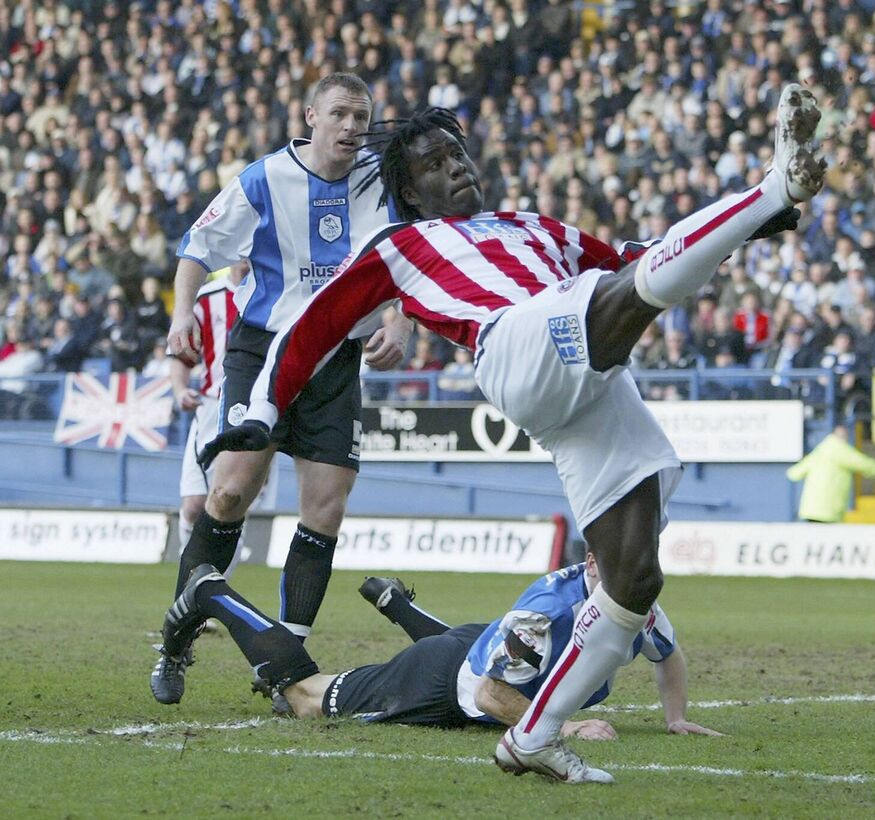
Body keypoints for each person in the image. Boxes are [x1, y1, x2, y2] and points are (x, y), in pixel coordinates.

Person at [198, 89, 824, 782]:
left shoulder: (533, 226)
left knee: (634, 580)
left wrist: (746, 233)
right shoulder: (399, 246)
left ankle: (534, 737)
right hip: (516, 344)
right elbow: (312, 326)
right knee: (618, 300)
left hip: (585, 379)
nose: (455, 166)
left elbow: (629, 258)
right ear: (411, 191)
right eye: (434, 163)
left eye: (457, 154)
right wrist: (260, 410)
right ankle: (775, 183)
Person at [151, 73, 410, 706]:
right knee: (228, 491)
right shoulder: (265, 178)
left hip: (336, 358)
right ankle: (175, 643)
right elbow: (197, 248)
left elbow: (410, 256)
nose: (352, 127)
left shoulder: (380, 181)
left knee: (325, 509)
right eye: (340, 113)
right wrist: (182, 315)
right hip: (263, 349)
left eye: (362, 116)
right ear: (311, 116)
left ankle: (284, 666)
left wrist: (400, 319)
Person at [159, 554, 719, 748]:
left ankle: (398, 605)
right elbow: (491, 694)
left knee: (472, 650)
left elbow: (667, 653)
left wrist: (676, 717)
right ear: (591, 563)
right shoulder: (545, 613)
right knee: (304, 698)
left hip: (477, 645)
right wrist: (566, 727)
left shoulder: (637, 601)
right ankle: (212, 592)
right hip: (444, 681)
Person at [172, 262, 278, 584]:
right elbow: (182, 352)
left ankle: (216, 588)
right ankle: (190, 582)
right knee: (194, 505)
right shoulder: (207, 298)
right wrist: (179, 389)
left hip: (255, 410)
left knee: (232, 501)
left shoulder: (275, 293)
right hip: (210, 408)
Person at [786, 424, 875, 523]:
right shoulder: (841, 450)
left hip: (810, 509)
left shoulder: (820, 450)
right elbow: (863, 464)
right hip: (829, 509)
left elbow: (794, 473)